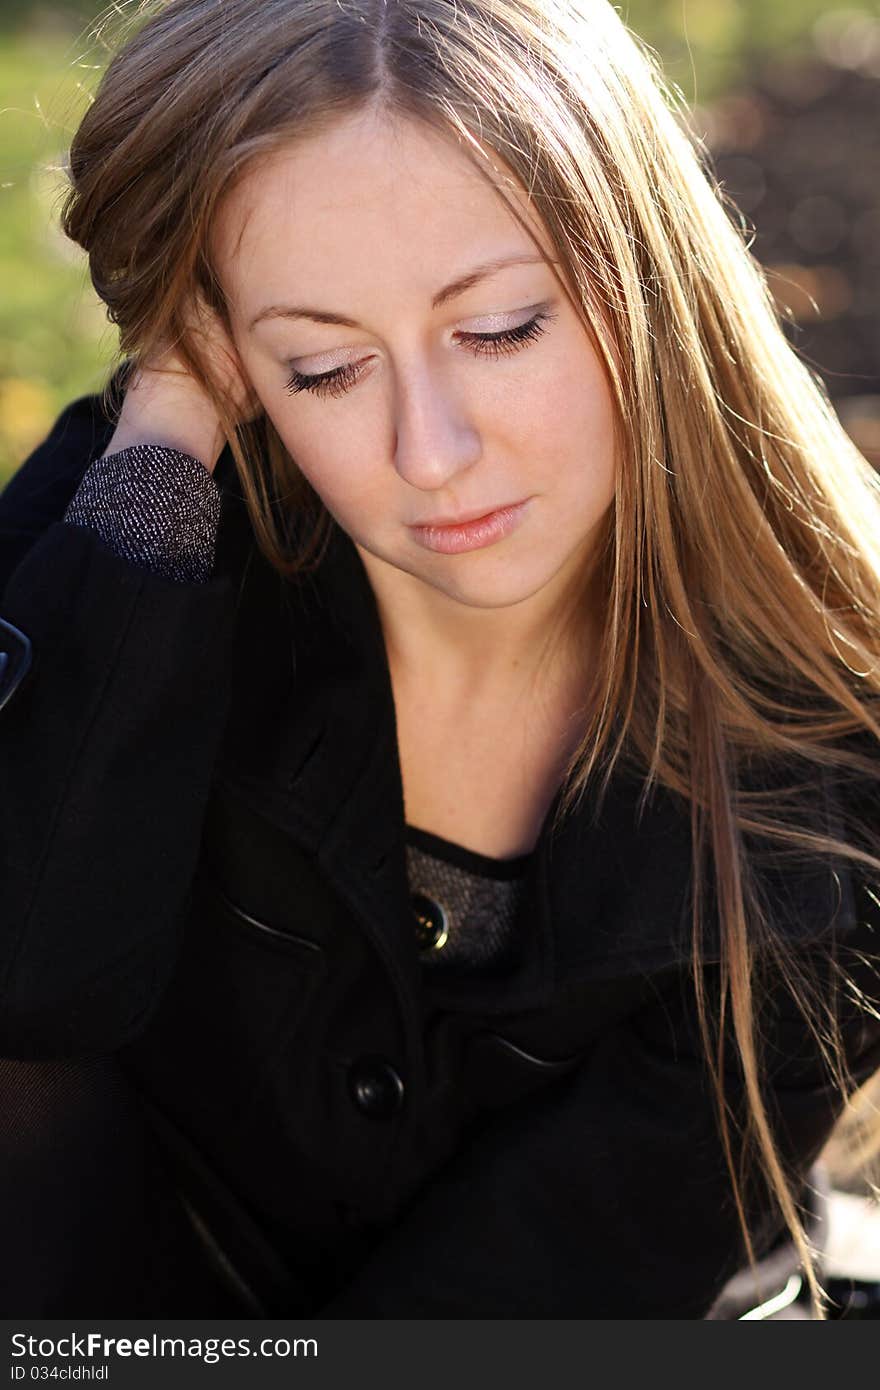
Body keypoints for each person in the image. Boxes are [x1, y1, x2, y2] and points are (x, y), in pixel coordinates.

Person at [1, 0, 879, 1320]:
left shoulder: (826, 745)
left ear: (649, 282)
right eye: (324, 364)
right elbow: (28, 988)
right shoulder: (136, 528)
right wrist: (165, 431)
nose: (429, 450)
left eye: (501, 328)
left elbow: (565, 1273)